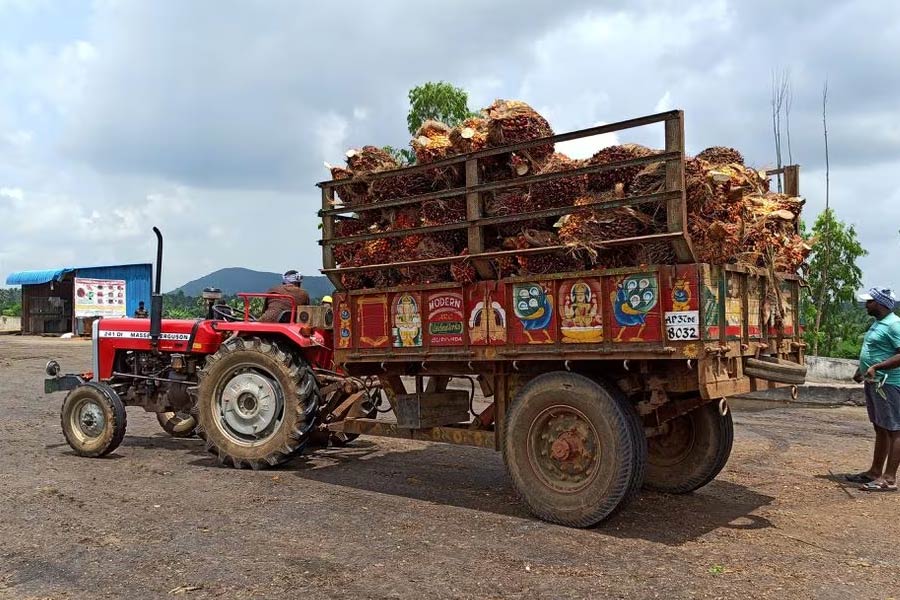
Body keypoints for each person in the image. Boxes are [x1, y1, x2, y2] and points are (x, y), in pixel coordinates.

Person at [846, 287, 900, 492]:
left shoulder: (895, 325)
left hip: (889, 383)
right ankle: (875, 472)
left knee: (894, 429)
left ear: (882, 304)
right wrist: (861, 370)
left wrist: (877, 367)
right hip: (874, 382)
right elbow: (875, 350)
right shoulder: (879, 323)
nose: (866, 305)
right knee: (881, 427)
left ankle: (889, 479)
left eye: (870, 301)